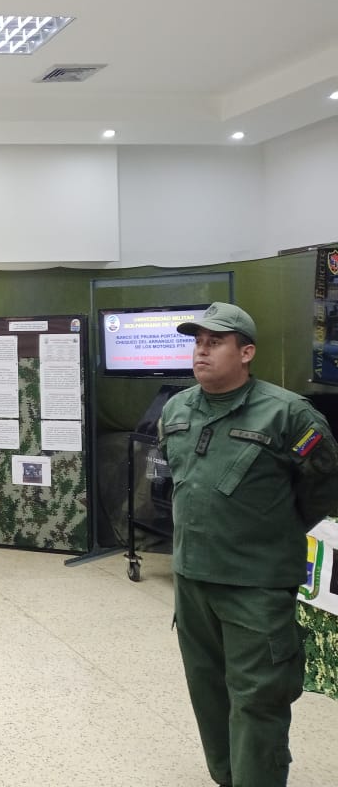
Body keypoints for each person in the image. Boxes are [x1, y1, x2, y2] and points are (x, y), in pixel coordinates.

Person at [160, 302, 338, 787]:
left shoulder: (288, 414)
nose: (201, 350)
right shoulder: (177, 410)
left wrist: (270, 531)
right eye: (197, 341)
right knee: (208, 691)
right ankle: (228, 777)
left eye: (214, 342)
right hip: (192, 578)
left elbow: (322, 488)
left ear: (246, 352)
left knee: (258, 697)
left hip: (255, 584)